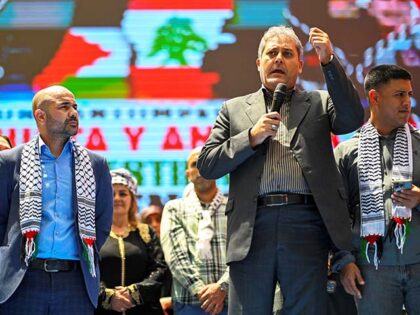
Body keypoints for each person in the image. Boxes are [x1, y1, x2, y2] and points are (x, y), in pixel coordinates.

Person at [197, 25, 364, 315]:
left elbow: (351, 118)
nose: (278, 59)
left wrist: (328, 61)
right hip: (251, 226)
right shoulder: (233, 109)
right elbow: (208, 164)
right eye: (271, 53)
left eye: (287, 54)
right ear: (258, 62)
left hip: (306, 225)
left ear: (300, 65)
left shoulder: (319, 102)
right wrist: (250, 136)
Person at [0, 85, 114, 315]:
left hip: (75, 283)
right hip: (21, 281)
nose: (73, 112)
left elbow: (101, 224)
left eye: (75, 107)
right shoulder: (9, 161)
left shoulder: (95, 164)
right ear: (40, 116)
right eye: (64, 106)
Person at [333, 64, 420, 315]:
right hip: (372, 269)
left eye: (409, 94)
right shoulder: (346, 153)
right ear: (374, 97)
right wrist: (345, 262)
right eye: (399, 94)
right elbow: (336, 216)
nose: (407, 102)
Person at [161, 147, 229, 315]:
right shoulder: (174, 208)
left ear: (216, 169)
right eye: (194, 164)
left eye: (206, 163)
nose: (200, 169)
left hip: (230, 298)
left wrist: (222, 287)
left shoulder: (233, 206)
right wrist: (202, 292)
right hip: (189, 302)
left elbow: (242, 252)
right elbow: (176, 257)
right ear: (187, 173)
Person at [96, 168, 167, 315]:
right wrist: (109, 297)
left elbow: (159, 269)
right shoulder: (94, 233)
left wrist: (134, 293)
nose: (117, 198)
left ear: (132, 199)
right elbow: (88, 271)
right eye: (112, 194)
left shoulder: (146, 232)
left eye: (123, 193)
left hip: (145, 310)